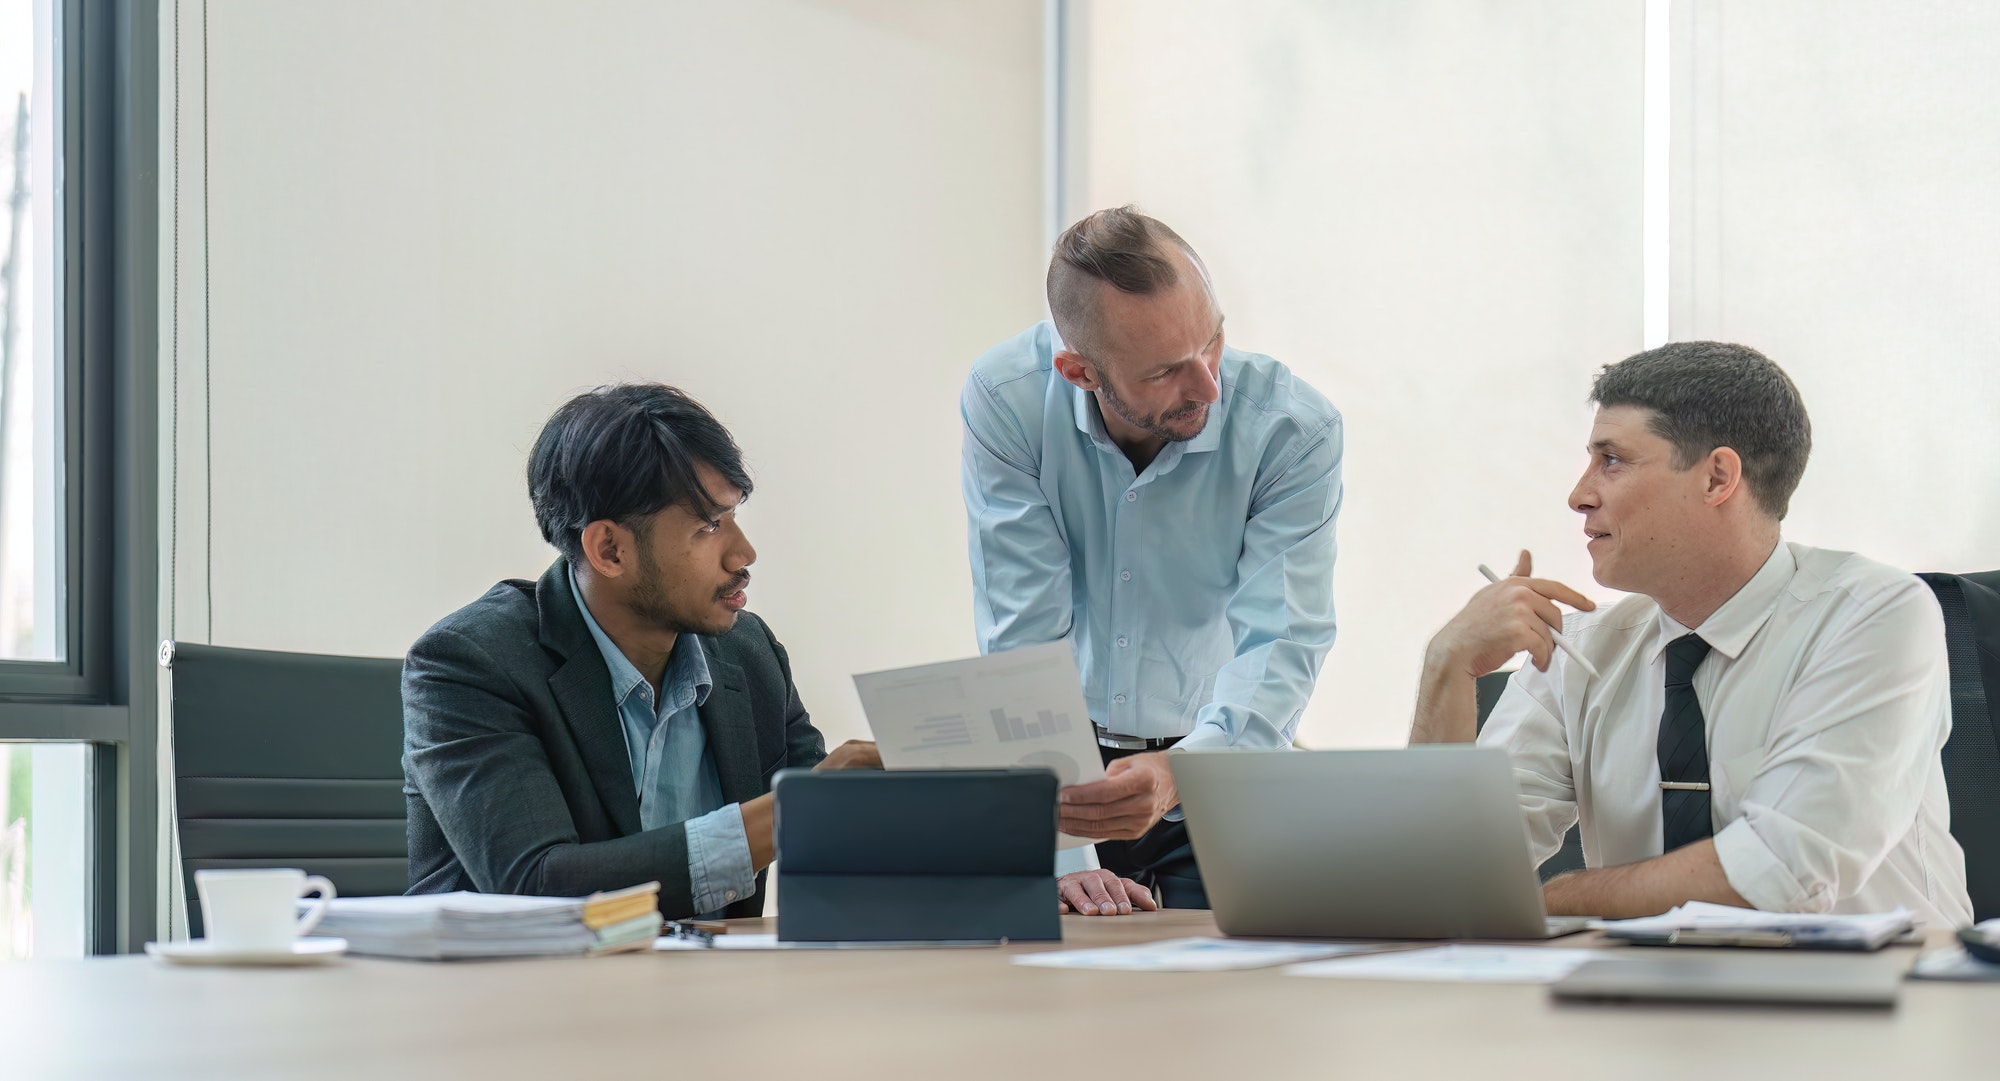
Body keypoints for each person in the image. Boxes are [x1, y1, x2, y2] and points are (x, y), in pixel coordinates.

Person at [1412, 342, 1971, 926]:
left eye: (1613, 460)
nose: (1579, 495)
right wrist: (1447, 668)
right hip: (1641, 1004)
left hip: (1873, 1000)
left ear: (1717, 478)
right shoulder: (1581, 648)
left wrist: (1550, 902)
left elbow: (1781, 868)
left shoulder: (1872, 614)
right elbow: (1437, 882)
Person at [962, 207, 1343, 913]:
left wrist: (1189, 771)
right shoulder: (1007, 401)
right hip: (1062, 766)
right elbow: (1022, 632)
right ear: (1079, 371)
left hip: (1219, 755)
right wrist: (1060, 848)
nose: (1208, 386)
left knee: (1226, 1002)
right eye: (1168, 371)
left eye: (1214, 341)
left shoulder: (1293, 429)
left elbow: (1282, 639)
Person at [402, 384, 880, 920]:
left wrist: (921, 799)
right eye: (708, 526)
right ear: (609, 550)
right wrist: (796, 813)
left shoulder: (750, 652)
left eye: (733, 517)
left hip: (711, 991)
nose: (744, 553)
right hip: (517, 994)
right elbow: (535, 887)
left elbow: (833, 839)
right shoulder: (470, 662)